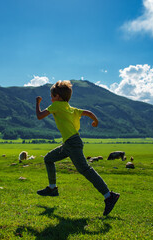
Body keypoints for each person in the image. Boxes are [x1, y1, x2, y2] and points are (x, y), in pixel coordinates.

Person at [35, 80, 120, 216]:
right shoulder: (70, 108)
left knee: (85, 170)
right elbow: (87, 112)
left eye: (52, 96)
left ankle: (109, 196)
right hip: (70, 143)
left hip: (72, 144)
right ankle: (52, 188)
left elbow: (40, 116)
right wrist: (95, 121)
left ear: (57, 97)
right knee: (48, 159)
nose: (51, 98)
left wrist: (38, 102)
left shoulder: (56, 105)